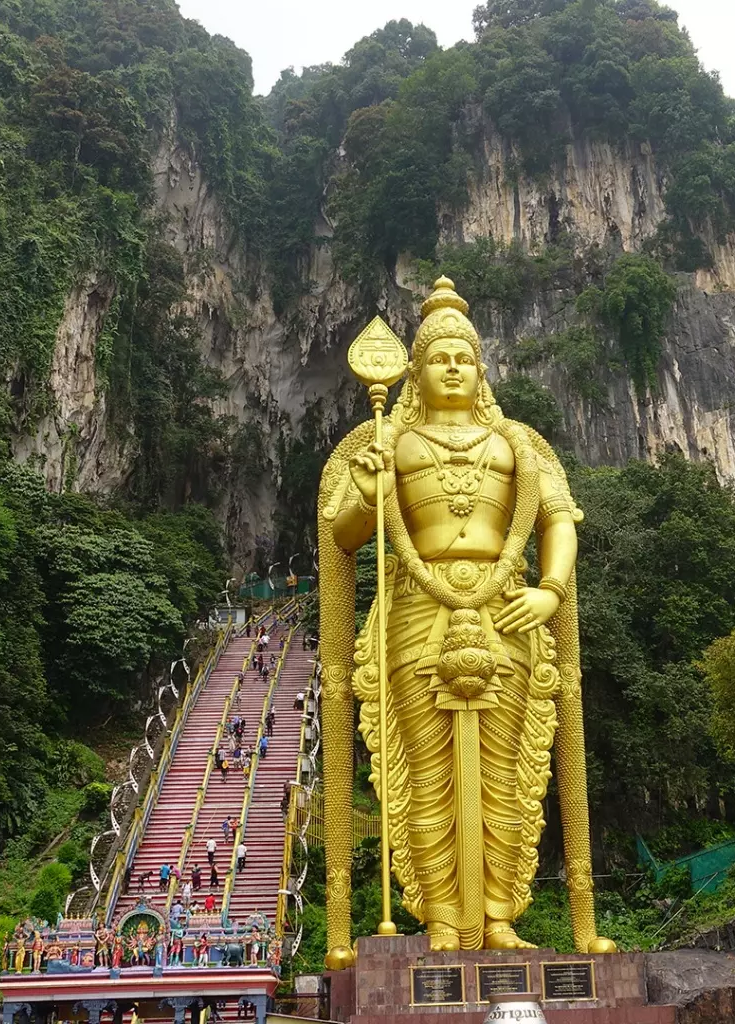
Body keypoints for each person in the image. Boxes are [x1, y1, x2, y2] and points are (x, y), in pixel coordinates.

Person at [317, 277, 615, 957]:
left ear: (480, 370)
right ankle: (444, 921)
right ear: (415, 372)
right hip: (418, 613)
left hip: (506, 607)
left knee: (508, 775)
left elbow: (559, 520)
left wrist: (550, 587)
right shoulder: (388, 439)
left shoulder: (517, 443)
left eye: (463, 358)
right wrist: (369, 487)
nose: (451, 367)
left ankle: (502, 917)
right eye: (438, 358)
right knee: (426, 779)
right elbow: (343, 534)